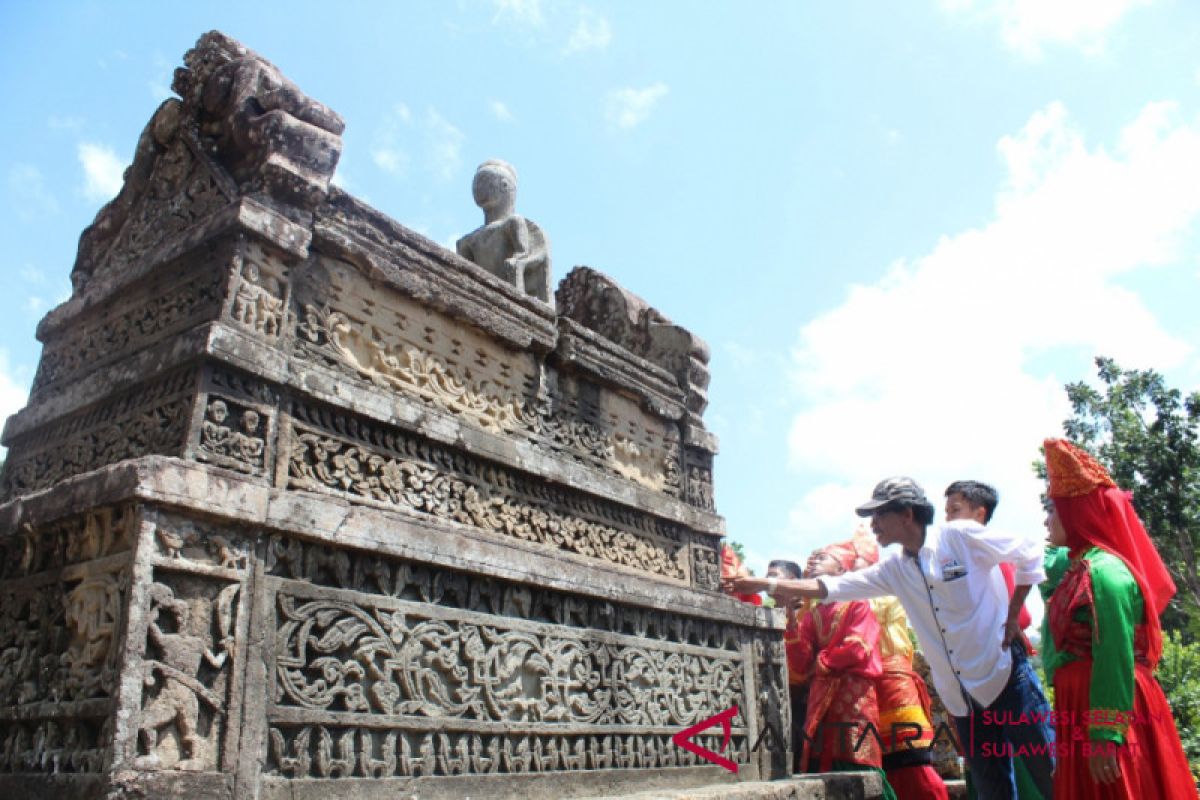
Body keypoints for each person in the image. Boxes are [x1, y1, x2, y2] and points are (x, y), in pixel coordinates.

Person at [727, 477, 1054, 800]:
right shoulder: (894, 570)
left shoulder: (958, 537)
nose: (873, 525)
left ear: (907, 515)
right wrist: (764, 586)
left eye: (879, 516)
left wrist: (1013, 614)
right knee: (991, 787)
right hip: (961, 695)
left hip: (1005, 675)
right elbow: (828, 588)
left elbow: (1028, 553)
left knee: (1049, 769)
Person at [1041, 438, 1197, 799]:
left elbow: (1115, 653)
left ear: (1076, 512)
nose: (1046, 520)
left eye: (1054, 510)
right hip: (1079, 703)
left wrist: (1105, 733)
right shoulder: (1077, 566)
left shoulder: (1105, 573)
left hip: (1106, 703)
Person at [787, 541, 897, 799]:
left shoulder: (857, 603)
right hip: (821, 695)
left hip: (853, 692)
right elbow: (801, 663)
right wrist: (791, 621)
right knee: (820, 759)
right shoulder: (813, 614)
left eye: (822, 557)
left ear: (840, 570)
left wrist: (822, 662)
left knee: (856, 756)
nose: (813, 561)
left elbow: (858, 647)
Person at [767, 558, 812, 774]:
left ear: (792, 580)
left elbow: (803, 660)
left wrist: (791, 615)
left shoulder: (809, 613)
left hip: (802, 698)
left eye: (774, 576)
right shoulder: (765, 613)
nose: (767, 580)